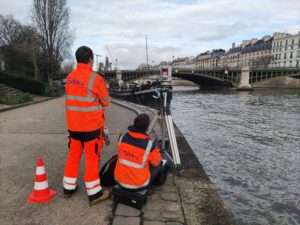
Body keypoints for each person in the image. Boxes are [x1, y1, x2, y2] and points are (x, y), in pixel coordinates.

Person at [63, 46, 111, 205]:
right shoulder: (95, 79)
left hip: (73, 127)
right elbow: (106, 102)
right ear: (90, 60)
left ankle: (68, 187)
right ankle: (94, 193)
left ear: (77, 59)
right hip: (91, 128)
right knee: (92, 158)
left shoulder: (69, 77)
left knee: (73, 156)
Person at [114, 113, 166, 190]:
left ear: (134, 123)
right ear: (147, 128)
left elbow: (121, 152)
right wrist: (156, 150)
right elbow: (156, 162)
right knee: (160, 165)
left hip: (119, 180)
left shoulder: (122, 137)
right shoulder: (148, 144)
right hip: (138, 184)